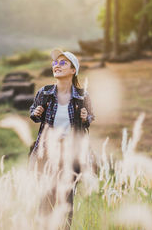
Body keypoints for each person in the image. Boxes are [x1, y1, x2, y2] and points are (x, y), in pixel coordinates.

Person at [28, 48, 95, 228]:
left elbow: (90, 118)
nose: (57, 65)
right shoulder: (45, 92)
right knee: (46, 197)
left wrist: (84, 117)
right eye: (55, 63)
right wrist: (35, 112)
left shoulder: (82, 96)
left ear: (73, 70)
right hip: (48, 151)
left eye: (63, 62)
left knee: (66, 200)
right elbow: (33, 114)